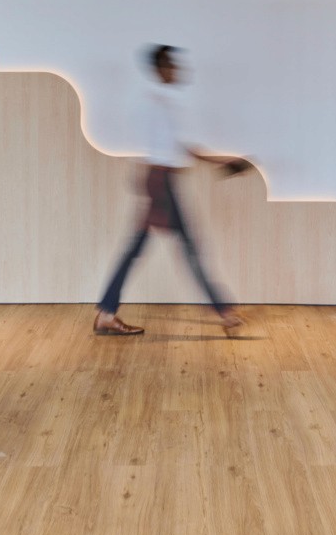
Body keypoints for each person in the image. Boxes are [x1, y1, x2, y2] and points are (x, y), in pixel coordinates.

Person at [92, 45, 247, 337]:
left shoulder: (155, 101)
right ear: (161, 68)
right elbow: (180, 149)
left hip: (158, 180)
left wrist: (220, 162)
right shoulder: (161, 104)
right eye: (172, 65)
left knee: (140, 248)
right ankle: (225, 313)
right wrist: (222, 162)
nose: (177, 69)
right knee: (188, 247)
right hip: (162, 183)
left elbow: (177, 148)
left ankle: (107, 313)